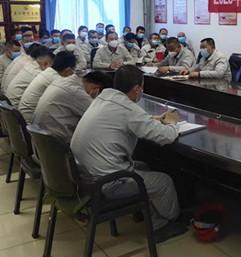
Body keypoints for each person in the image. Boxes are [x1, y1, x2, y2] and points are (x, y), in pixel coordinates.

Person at [71, 65, 187, 241]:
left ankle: (149, 213)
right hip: (107, 183)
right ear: (137, 89)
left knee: (144, 166)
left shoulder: (104, 98)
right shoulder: (127, 108)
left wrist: (152, 119)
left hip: (85, 175)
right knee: (164, 182)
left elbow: (123, 120)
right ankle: (166, 223)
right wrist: (171, 123)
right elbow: (167, 137)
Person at [33, 71, 112, 141]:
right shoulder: (76, 92)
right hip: (57, 143)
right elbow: (102, 116)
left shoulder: (62, 81)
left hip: (42, 140)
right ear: (95, 88)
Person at [19, 51, 76, 123]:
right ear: (69, 70)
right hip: (29, 122)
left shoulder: (48, 72)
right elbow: (73, 97)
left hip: (23, 118)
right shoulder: (56, 79)